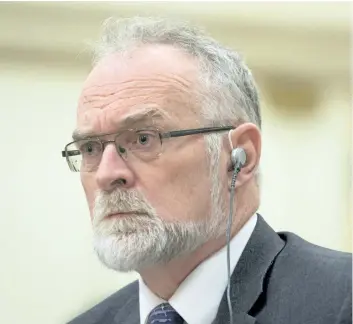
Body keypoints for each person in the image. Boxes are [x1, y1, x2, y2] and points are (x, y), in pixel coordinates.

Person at [63, 17, 352, 324]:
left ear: (242, 157)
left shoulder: (341, 301)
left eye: (143, 139)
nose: (107, 175)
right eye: (91, 148)